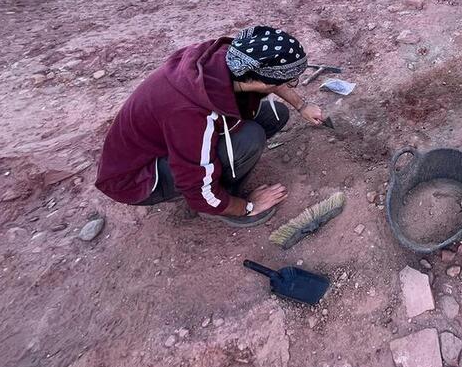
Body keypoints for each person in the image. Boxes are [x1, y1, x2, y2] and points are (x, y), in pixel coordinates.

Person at [95, 26, 324, 227]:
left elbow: (270, 78)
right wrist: (248, 206)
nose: (288, 85)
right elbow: (196, 190)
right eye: (288, 80)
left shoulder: (228, 58)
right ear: (259, 80)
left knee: (274, 116)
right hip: (138, 177)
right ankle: (224, 203)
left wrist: (301, 106)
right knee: (250, 138)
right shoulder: (191, 113)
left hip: (168, 141)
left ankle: (221, 169)